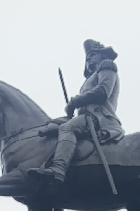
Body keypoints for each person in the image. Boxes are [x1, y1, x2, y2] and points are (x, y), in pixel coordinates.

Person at [27, 39, 124, 184]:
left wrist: (74, 102)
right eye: (87, 56)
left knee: (68, 127)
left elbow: (102, 92)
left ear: (102, 56)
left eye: (92, 55)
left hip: (100, 117)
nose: (89, 58)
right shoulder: (90, 78)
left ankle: (58, 169)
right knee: (53, 124)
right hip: (86, 117)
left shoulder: (107, 67)